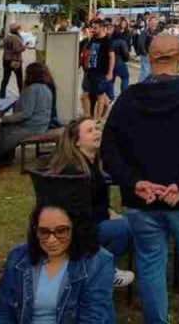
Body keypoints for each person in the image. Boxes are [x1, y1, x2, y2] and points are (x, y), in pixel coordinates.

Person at [101, 32, 179, 324]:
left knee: (151, 262)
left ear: (151, 58)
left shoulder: (128, 99)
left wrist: (133, 182)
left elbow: (109, 151)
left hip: (145, 200)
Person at [0, 204, 115, 323]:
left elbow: (92, 318)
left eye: (61, 231)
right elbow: (2, 311)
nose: (51, 239)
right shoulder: (19, 256)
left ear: (76, 229)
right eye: (44, 232)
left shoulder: (98, 262)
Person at [47, 119, 135, 288]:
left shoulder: (89, 163)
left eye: (97, 128)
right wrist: (108, 214)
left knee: (126, 225)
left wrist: (108, 212)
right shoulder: (75, 171)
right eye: (89, 131)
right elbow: (79, 210)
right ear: (77, 142)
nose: (96, 132)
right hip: (77, 230)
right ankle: (103, 272)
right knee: (130, 226)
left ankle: (97, 269)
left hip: (83, 224)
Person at [0, 63, 54, 171]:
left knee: (0, 141)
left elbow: (26, 113)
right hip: (38, 126)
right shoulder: (47, 89)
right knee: (0, 134)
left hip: (30, 128)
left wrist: (5, 119)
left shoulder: (32, 89)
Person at [81, 21, 113, 120]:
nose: (93, 30)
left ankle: (98, 119)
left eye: (96, 28)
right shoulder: (93, 39)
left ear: (103, 28)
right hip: (90, 72)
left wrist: (110, 72)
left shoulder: (107, 41)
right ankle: (88, 115)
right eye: (92, 27)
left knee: (100, 96)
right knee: (85, 95)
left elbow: (112, 57)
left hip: (101, 72)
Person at [0, 23, 27, 99]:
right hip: (15, 60)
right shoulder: (16, 38)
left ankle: (2, 94)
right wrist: (24, 47)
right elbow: (16, 50)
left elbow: (3, 46)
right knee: (19, 78)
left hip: (6, 58)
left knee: (5, 77)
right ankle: (21, 93)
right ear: (16, 30)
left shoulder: (7, 37)